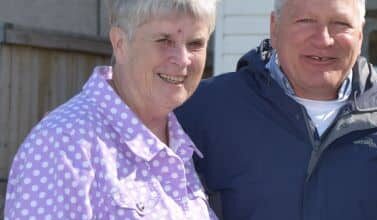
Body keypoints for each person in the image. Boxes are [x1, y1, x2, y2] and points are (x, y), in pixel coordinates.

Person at [175, 0, 377, 219]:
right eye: (305, 21)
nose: (323, 39)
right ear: (274, 28)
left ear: (360, 36)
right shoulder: (202, 111)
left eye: (341, 24)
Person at [4, 0, 218, 219]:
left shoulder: (176, 143)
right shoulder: (64, 143)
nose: (183, 60)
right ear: (120, 43)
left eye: (195, 43)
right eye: (164, 40)